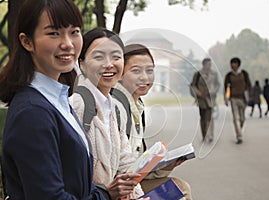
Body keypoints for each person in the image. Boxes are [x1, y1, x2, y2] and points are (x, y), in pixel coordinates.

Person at [0, 0, 108, 199]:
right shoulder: (32, 112)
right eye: (53, 33)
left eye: (74, 32)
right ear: (27, 42)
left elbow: (75, 180)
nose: (67, 43)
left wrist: (106, 193)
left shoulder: (57, 99)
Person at [69, 28, 145, 200]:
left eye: (116, 57)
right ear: (82, 64)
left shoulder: (115, 109)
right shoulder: (76, 106)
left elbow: (126, 165)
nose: (109, 64)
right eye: (98, 57)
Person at [112, 43, 193, 199]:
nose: (145, 77)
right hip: (117, 187)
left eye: (149, 71)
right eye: (136, 71)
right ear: (120, 73)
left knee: (179, 187)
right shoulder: (115, 106)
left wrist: (163, 166)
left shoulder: (137, 106)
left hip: (131, 180)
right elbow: (119, 166)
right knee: (180, 189)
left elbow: (137, 163)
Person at [190, 57, 220, 143]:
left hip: (210, 99)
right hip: (201, 99)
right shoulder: (197, 74)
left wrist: (214, 91)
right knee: (203, 117)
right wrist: (198, 93)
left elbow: (217, 84)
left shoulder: (214, 74)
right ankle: (204, 135)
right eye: (208, 64)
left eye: (210, 64)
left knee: (209, 117)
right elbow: (193, 85)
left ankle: (210, 135)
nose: (210, 66)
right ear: (204, 65)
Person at [224, 57, 252, 144]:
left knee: (242, 118)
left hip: (243, 98)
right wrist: (226, 98)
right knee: (235, 118)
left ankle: (239, 130)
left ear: (238, 65)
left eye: (234, 65)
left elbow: (249, 85)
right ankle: (239, 136)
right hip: (233, 99)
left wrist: (250, 96)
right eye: (231, 65)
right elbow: (226, 88)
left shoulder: (244, 74)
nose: (232, 67)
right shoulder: (228, 76)